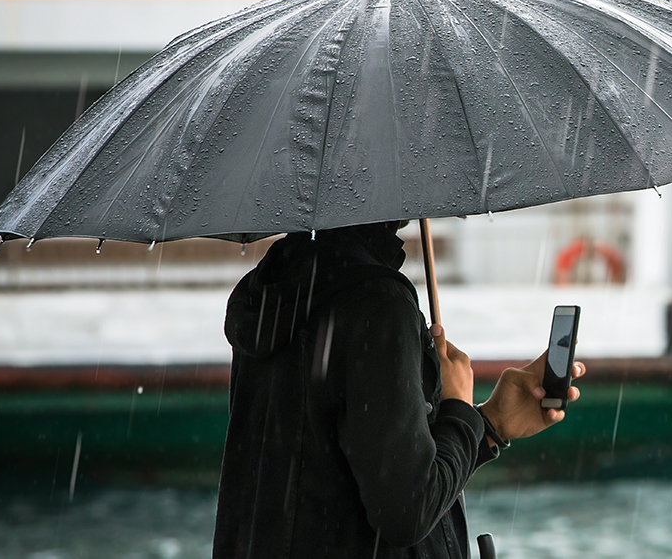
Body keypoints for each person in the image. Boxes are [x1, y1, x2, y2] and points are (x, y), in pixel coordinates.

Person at [213, 221, 583, 558]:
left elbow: (340, 472)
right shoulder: (376, 303)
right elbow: (408, 512)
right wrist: (458, 409)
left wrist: (489, 426)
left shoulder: (273, 292)